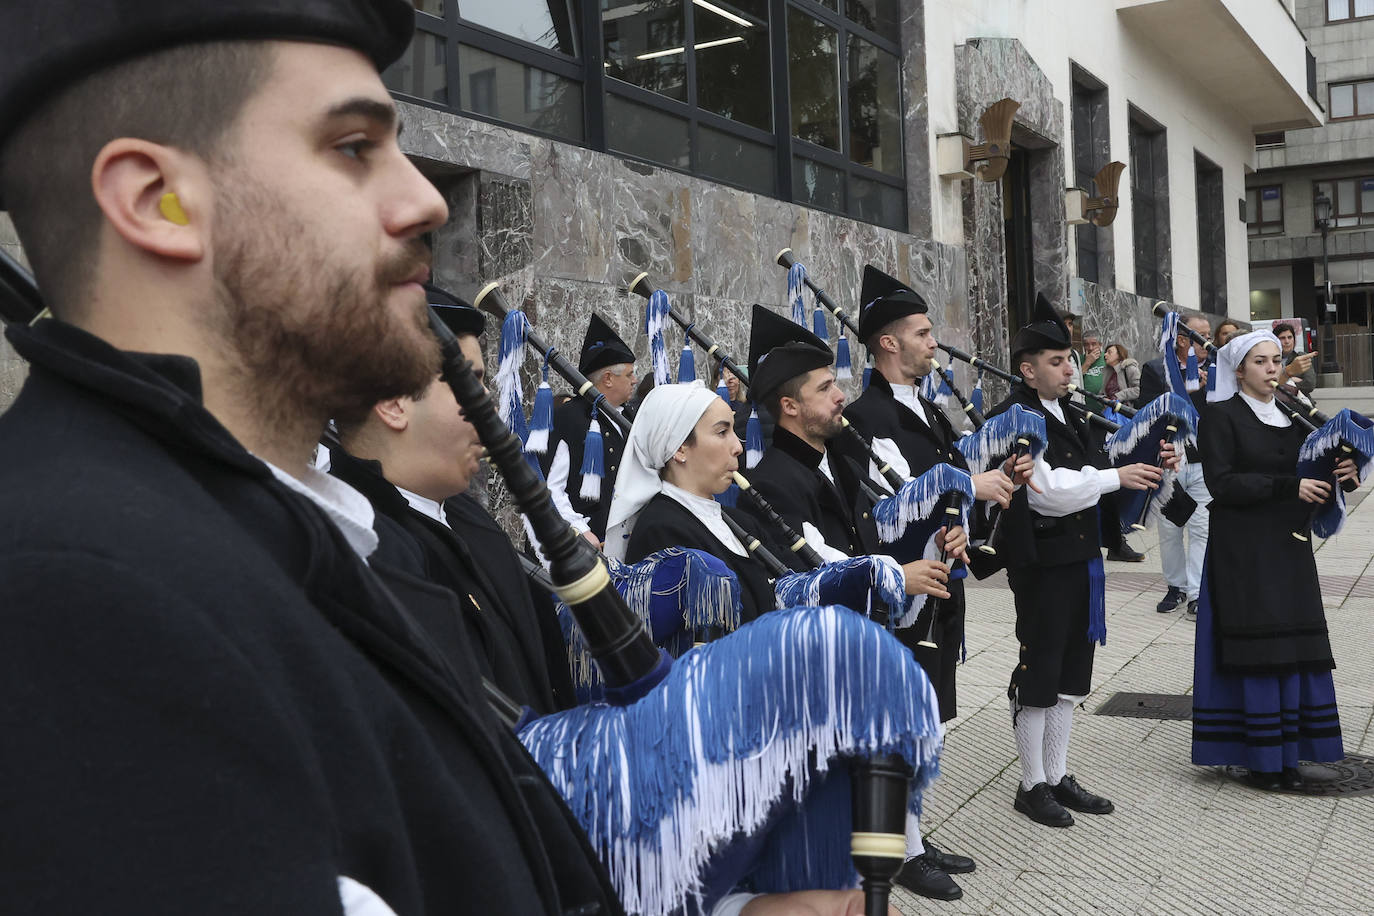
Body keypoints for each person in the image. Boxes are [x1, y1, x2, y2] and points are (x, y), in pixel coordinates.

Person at [0, 4, 624, 911]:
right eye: (351, 146)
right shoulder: (76, 602)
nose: (426, 201)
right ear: (155, 201)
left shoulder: (298, 530)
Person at [743, 303, 972, 900]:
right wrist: (899, 573)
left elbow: (880, 531)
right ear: (789, 407)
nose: (841, 395)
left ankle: (908, 843)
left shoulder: (837, 460)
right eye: (825, 388)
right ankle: (885, 858)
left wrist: (936, 535)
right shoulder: (773, 482)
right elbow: (821, 568)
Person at [839, 266, 1035, 899]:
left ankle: (914, 837)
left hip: (940, 584)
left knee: (928, 717)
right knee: (901, 724)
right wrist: (961, 488)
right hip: (903, 595)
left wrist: (974, 499)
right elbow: (885, 505)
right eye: (923, 333)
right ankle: (896, 851)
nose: (934, 343)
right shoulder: (866, 416)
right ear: (888, 343)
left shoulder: (926, 408)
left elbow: (941, 493)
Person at [330, 290, 575, 713]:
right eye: (469, 380)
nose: (489, 407)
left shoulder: (463, 515)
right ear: (392, 402)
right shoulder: (360, 550)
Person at [988, 294, 1176, 829]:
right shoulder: (1013, 418)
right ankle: (1031, 784)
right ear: (1027, 369)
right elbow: (1047, 491)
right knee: (1041, 668)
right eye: (1056, 360)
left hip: (1079, 559)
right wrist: (1118, 477)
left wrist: (1150, 457)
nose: (1069, 367)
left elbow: (1106, 462)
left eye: (1069, 358)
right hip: (1042, 562)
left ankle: (1058, 772)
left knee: (1072, 671)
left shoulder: (1069, 409)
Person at [1192, 330, 1356, 790]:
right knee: (1260, 646)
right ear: (1239, 370)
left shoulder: (1292, 412)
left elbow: (1314, 465)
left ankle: (1292, 751)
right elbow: (1222, 483)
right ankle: (1262, 758)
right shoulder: (1220, 415)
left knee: (1294, 646)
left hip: (1289, 543)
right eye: (1260, 361)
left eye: (1275, 359)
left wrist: (1344, 470)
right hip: (1244, 548)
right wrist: (1289, 487)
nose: (1270, 368)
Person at [605, 382, 779, 619]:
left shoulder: (740, 522)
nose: (738, 447)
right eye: (721, 432)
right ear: (680, 449)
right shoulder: (661, 532)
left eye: (733, 432)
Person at [1138, 313, 1213, 617]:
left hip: (1203, 460)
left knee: (1201, 529)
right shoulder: (1156, 369)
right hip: (1169, 462)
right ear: (1182, 339)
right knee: (1169, 529)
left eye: (1209, 334)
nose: (1208, 341)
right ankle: (1176, 587)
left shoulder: (1217, 369)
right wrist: (1184, 387)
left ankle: (1197, 592)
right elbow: (1145, 410)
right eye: (1200, 335)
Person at [545, 313, 637, 546]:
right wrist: (580, 530)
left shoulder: (631, 416)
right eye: (629, 374)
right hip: (582, 545)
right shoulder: (568, 417)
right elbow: (550, 488)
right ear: (607, 378)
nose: (634, 380)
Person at [1275, 322, 1317, 396]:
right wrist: (1291, 380)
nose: (1287, 341)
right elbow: (1267, 386)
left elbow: (1310, 384)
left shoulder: (1301, 357)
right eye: (1282, 338)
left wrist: (1282, 382)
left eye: (1290, 337)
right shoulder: (1270, 360)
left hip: (1299, 402)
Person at [1102, 343, 1140, 409]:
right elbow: (1103, 392)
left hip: (1127, 412)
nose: (1105, 354)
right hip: (1110, 412)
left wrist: (1118, 396)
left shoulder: (1129, 368)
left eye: (1109, 352)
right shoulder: (1107, 371)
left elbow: (1139, 390)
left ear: (1119, 355)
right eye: (1105, 352)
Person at [1079, 333, 1107, 404]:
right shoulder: (1078, 359)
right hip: (1085, 405)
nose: (1090, 348)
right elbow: (1074, 380)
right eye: (1086, 345)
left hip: (1105, 406)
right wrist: (1087, 363)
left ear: (1100, 345)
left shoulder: (1107, 357)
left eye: (1094, 344)